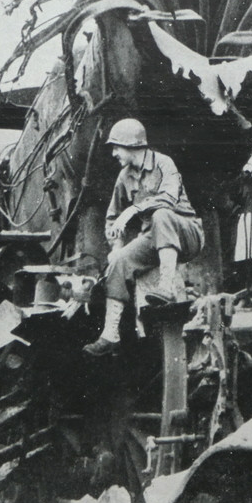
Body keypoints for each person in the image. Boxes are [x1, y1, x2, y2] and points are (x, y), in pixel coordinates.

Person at [83, 119, 204, 357]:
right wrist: (116, 246)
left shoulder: (164, 163)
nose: (114, 153)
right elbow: (112, 218)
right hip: (153, 237)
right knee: (118, 261)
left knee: (161, 215)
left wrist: (134, 210)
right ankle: (110, 334)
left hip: (187, 234)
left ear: (132, 145)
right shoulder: (124, 176)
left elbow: (169, 198)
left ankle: (166, 287)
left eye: (117, 147)